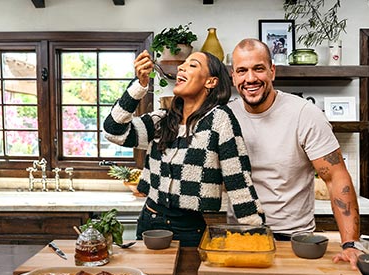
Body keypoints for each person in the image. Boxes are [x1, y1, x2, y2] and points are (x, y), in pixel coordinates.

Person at [104, 50, 265, 247]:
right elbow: (113, 131)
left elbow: (238, 180)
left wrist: (257, 236)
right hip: (149, 222)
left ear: (211, 82)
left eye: (193, 65)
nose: (181, 67)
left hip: (188, 229)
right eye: (183, 64)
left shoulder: (219, 119)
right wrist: (140, 85)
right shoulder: (162, 120)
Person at [228, 38, 362, 268]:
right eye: (242, 71)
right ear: (233, 76)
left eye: (258, 69)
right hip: (239, 237)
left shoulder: (304, 114)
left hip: (293, 239)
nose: (250, 78)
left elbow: (336, 177)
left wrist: (350, 244)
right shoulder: (225, 116)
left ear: (272, 71)